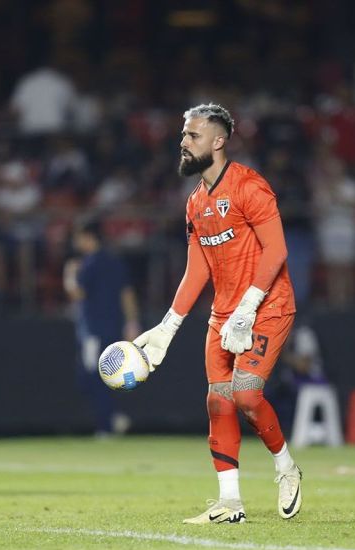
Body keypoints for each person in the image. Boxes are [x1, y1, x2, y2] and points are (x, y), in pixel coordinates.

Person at [133, 103, 302, 524]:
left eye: (192, 136)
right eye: (184, 135)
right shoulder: (195, 204)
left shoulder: (249, 186)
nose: (183, 142)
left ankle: (286, 467)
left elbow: (277, 250)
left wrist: (248, 306)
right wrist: (167, 327)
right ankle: (230, 503)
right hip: (223, 315)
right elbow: (197, 270)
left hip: (267, 307)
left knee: (246, 394)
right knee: (218, 402)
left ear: (219, 141)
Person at [63, 218, 139, 436]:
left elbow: (77, 293)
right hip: (112, 327)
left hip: (93, 331)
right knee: (99, 377)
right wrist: (132, 322)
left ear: (88, 237)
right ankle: (112, 418)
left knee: (90, 378)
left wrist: (69, 274)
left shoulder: (88, 264)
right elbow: (127, 293)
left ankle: (107, 424)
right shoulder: (114, 261)